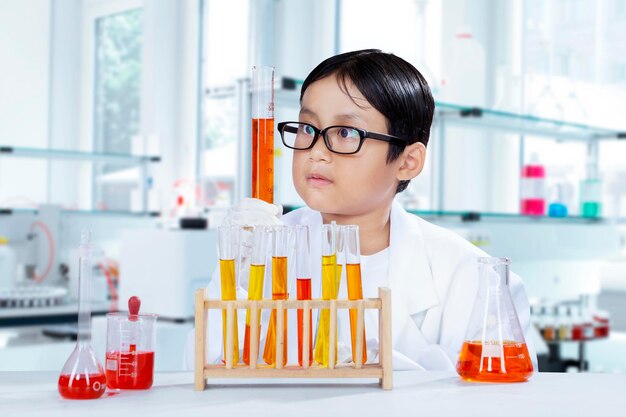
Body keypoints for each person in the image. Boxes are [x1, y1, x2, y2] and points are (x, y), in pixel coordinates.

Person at [184, 49, 537, 371]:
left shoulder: (470, 279)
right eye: (308, 127)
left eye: (346, 133)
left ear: (408, 161)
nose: (316, 151)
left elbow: (499, 402)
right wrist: (234, 285)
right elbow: (199, 375)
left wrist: (374, 361)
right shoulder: (260, 247)